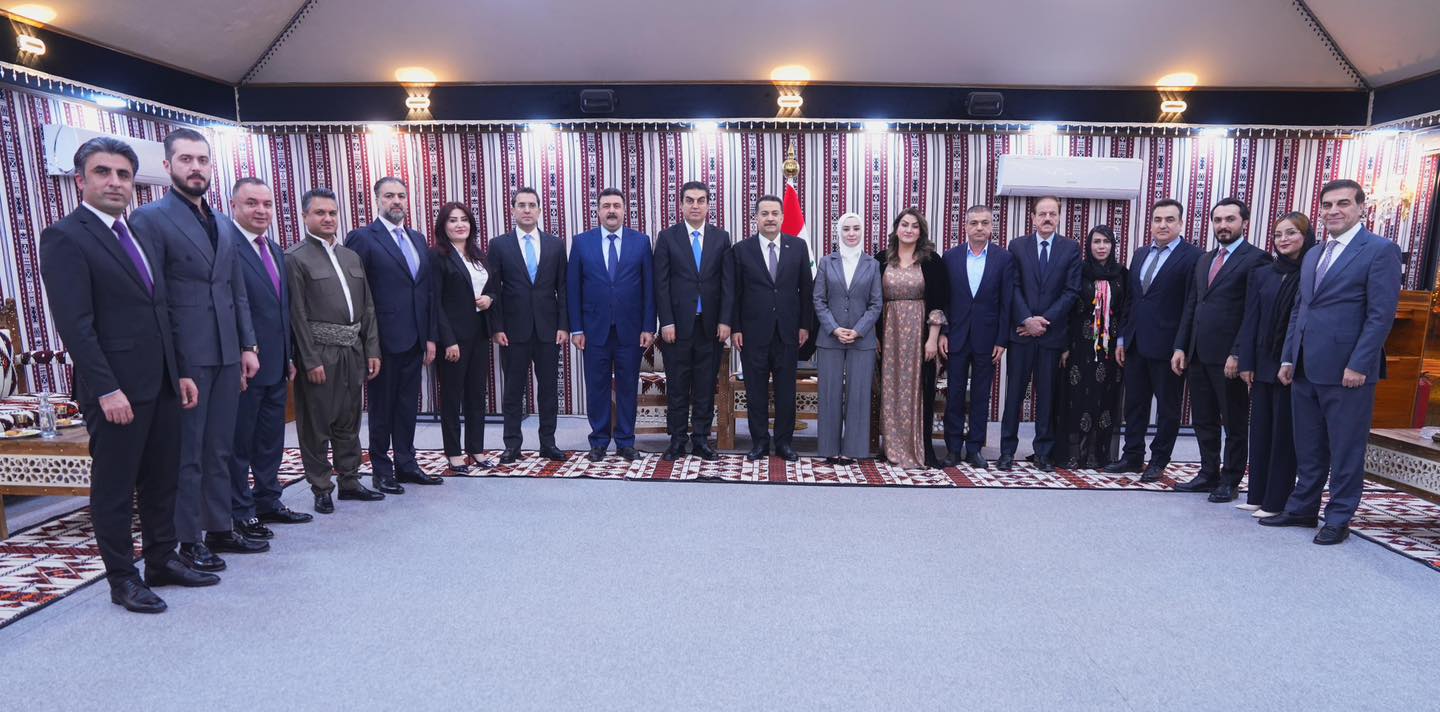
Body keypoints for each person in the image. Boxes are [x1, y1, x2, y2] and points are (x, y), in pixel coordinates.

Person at [41, 137, 215, 613]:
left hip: (162, 383)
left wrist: (179, 372)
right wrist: (107, 389)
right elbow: (76, 326)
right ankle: (122, 578)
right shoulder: (65, 237)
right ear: (81, 179)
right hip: (115, 390)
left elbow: (161, 309)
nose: (115, 182)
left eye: (123, 174)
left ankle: (162, 560)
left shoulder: (135, 231)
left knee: (162, 480)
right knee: (116, 488)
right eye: (103, 172)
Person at [129, 128, 264, 572]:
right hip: (186, 354)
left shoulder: (223, 222)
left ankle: (220, 526)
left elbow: (236, 289)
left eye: (202, 160)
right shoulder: (150, 219)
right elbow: (155, 298)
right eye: (186, 160)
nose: (196, 168)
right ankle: (187, 539)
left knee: (219, 447)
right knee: (186, 453)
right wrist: (176, 364)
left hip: (226, 351)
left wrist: (247, 345)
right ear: (168, 166)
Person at [1263, 180, 1403, 545]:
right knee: (1308, 445)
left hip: (1347, 371)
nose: (1333, 211)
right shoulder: (1314, 254)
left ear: (1361, 208)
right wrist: (1289, 356)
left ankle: (1339, 517)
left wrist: (1360, 364)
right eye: (1327, 205)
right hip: (1304, 366)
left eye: (1343, 203)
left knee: (1345, 449)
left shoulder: (1380, 250)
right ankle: (1303, 508)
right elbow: (1301, 309)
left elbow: (1380, 316)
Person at [287, 188, 384, 514]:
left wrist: (372, 348)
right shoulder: (295, 258)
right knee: (316, 423)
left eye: (332, 213)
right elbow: (297, 315)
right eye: (320, 213)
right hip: (320, 352)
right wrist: (309, 359)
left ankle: (350, 480)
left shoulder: (350, 257)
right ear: (305, 216)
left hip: (352, 350)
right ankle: (321, 487)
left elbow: (368, 307)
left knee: (349, 418)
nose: (327, 218)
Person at [345, 177, 442, 494]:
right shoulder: (362, 238)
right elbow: (357, 293)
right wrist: (367, 343)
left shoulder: (417, 238)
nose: (396, 201)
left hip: (415, 339)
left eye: (401, 195)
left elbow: (426, 291)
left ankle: (406, 464)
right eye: (389, 196)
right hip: (382, 341)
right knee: (382, 408)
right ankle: (381, 470)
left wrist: (429, 337)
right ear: (377, 200)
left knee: (407, 406)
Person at [227, 177, 312, 539]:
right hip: (244, 365)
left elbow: (281, 309)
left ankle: (267, 500)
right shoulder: (225, 247)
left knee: (270, 439)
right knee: (240, 442)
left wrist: (289, 355)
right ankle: (239, 510)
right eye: (252, 203)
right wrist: (238, 355)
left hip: (277, 364)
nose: (261, 211)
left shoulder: (275, 250)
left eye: (266, 204)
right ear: (234, 206)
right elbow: (229, 308)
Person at [1171, 198, 1272, 502]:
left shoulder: (1257, 259)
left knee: (1234, 421)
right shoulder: (1205, 260)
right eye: (1218, 220)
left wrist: (1238, 353)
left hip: (1229, 357)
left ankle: (1230, 479)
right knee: (1203, 419)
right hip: (1198, 354)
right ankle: (1208, 473)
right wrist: (1181, 346)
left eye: (1230, 219)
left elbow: (1254, 312)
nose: (1223, 225)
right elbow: (1192, 305)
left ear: (1245, 223)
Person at [1106, 199, 1200, 482]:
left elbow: (1191, 306)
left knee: (1168, 409)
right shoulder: (1140, 254)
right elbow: (1131, 300)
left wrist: (1181, 345)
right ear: (1151, 224)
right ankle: (1132, 456)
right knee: (1134, 404)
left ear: (1180, 223)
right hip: (1135, 343)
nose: (1163, 225)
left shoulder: (1192, 257)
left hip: (1168, 347)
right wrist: (1122, 339)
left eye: (1169, 220)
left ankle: (1159, 460)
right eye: (1158, 219)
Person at [567, 188, 656, 461]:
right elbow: (573, 288)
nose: (612, 210)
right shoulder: (581, 242)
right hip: (593, 330)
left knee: (628, 387)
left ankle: (626, 442)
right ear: (598, 211)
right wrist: (576, 328)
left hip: (631, 330)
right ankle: (599, 441)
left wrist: (648, 327)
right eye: (606, 206)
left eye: (617, 205)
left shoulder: (641, 242)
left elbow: (649, 288)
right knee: (597, 387)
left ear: (625, 210)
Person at [1237, 212, 1316, 518]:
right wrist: (1246, 361)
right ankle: (1256, 495)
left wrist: (1290, 358)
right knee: (1260, 432)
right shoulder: (1263, 273)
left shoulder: (1312, 271)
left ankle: (1276, 502)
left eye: (1291, 233)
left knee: (1284, 435)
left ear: (1305, 236)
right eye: (1278, 234)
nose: (1284, 239)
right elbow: (1250, 319)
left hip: (1292, 363)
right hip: (1262, 361)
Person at [726, 194, 815, 462]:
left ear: (782, 217)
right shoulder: (741, 250)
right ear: (756, 218)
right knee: (756, 392)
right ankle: (760, 443)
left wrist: (805, 325)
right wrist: (736, 328)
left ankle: (784, 443)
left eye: (775, 213)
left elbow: (806, 291)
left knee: (786, 392)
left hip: (788, 332)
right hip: (752, 333)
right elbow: (734, 293)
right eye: (764, 213)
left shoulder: (798, 247)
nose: (770, 218)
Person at [488, 187, 569, 464]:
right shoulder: (499, 245)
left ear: (539, 210)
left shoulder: (555, 245)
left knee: (548, 391)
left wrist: (564, 325)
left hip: (548, 330)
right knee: (513, 391)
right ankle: (512, 445)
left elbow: (563, 288)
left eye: (531, 205)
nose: (526, 209)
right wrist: (497, 327)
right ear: (512, 210)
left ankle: (548, 443)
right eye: (521, 205)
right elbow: (493, 289)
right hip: (512, 331)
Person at [999, 196, 1080, 472]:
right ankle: (1007, 451)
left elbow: (1071, 291)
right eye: (1042, 213)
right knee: (1014, 395)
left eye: (1052, 214)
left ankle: (1043, 453)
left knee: (1046, 396)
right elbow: (1013, 286)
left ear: (1058, 217)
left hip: (1051, 335)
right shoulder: (1017, 246)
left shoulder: (1070, 248)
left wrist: (1043, 321)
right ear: (1033, 218)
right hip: (1021, 334)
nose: (1047, 218)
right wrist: (1026, 319)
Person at [654, 181, 733, 462]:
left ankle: (701, 439)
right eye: (690, 200)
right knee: (677, 386)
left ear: (708, 205)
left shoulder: (721, 238)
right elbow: (661, 284)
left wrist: (725, 321)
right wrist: (666, 321)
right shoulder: (667, 237)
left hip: (710, 328)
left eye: (701, 200)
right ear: (681, 205)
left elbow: (728, 284)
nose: (695, 205)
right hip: (677, 328)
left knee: (705, 386)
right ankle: (677, 440)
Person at [876, 208, 949, 470]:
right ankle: (892, 447)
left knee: (919, 389)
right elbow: (873, 300)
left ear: (921, 232)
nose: (909, 230)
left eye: (915, 226)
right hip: (889, 333)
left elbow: (939, 301)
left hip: (920, 333)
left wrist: (933, 338)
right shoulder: (881, 259)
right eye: (904, 224)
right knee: (891, 388)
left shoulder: (931, 260)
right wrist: (875, 336)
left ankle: (919, 447)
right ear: (896, 228)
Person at [941, 205, 1013, 469]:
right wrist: (943, 333)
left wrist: (1002, 340)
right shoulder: (950, 257)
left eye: (984, 223)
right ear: (965, 226)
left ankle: (974, 449)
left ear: (991, 226)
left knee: (981, 396)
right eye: (974, 223)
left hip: (988, 339)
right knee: (955, 394)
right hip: (956, 337)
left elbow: (1007, 302)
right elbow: (945, 300)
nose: (979, 228)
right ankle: (952, 449)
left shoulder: (1003, 259)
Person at [812, 212, 882, 465]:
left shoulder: (872, 264)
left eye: (856, 228)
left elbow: (876, 304)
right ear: (838, 232)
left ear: (863, 232)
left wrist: (858, 330)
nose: (851, 233)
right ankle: (829, 448)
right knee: (829, 393)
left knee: (859, 394)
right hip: (830, 338)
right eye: (846, 229)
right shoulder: (826, 262)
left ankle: (854, 449)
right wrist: (834, 328)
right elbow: (818, 299)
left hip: (862, 340)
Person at [432, 202, 498, 474]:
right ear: (443, 226)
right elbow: (435, 302)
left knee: (476, 395)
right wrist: (448, 340)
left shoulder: (477, 254)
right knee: (451, 397)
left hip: (479, 335)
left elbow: (492, 288)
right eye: (453, 220)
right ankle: (453, 453)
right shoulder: (437, 256)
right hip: (453, 340)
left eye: (464, 220)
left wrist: (489, 298)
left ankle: (476, 449)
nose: (460, 224)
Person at [1058, 226, 1128, 470]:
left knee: (1104, 398)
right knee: (1077, 398)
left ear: (1113, 246)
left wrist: (1122, 342)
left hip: (1110, 349)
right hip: (1080, 346)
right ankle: (1074, 454)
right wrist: (1064, 345)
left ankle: (1098, 454)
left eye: (1106, 242)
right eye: (1096, 241)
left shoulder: (1122, 274)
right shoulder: (1079, 272)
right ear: (1088, 246)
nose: (1101, 246)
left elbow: (1126, 311)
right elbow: (1067, 310)